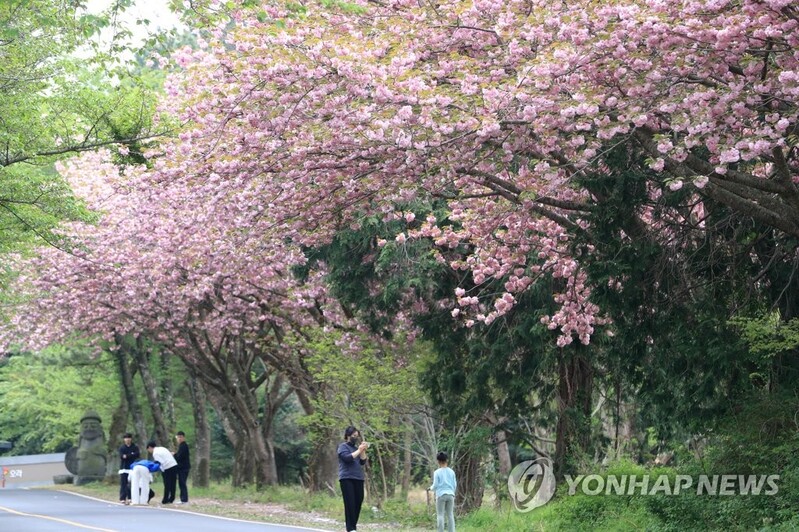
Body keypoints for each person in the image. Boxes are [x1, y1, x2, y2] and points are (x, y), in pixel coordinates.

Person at [337, 426, 368, 532]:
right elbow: (347, 458)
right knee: (350, 503)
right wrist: (358, 451)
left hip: (358, 478)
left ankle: (352, 526)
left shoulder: (356, 449)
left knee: (358, 501)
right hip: (347, 478)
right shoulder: (343, 446)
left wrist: (362, 450)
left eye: (357, 436)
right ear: (348, 435)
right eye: (354, 436)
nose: (356, 437)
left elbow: (363, 462)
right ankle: (350, 529)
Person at [428, 452, 457, 532]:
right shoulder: (452, 472)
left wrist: (430, 488)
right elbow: (454, 484)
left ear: (438, 461)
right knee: (450, 515)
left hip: (441, 495)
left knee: (440, 515)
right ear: (446, 460)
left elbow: (435, 485)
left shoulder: (437, 472)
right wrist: (452, 493)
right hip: (451, 494)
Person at [118, 433, 140, 505]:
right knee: (123, 483)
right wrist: (131, 455)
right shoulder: (122, 448)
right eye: (126, 438)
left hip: (132, 467)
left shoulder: (135, 447)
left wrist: (127, 456)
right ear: (124, 439)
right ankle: (122, 498)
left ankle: (131, 498)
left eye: (129, 438)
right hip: (124, 468)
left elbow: (137, 454)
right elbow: (122, 456)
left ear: (131, 439)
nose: (127, 439)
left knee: (132, 484)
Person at [173, 431, 191, 504]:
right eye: (178, 437)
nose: (179, 439)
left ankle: (184, 499)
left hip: (184, 468)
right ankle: (183, 499)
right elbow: (179, 454)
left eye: (181, 437)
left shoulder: (184, 445)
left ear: (183, 437)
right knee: (181, 483)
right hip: (181, 468)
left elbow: (180, 457)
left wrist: (174, 455)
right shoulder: (181, 446)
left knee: (182, 483)